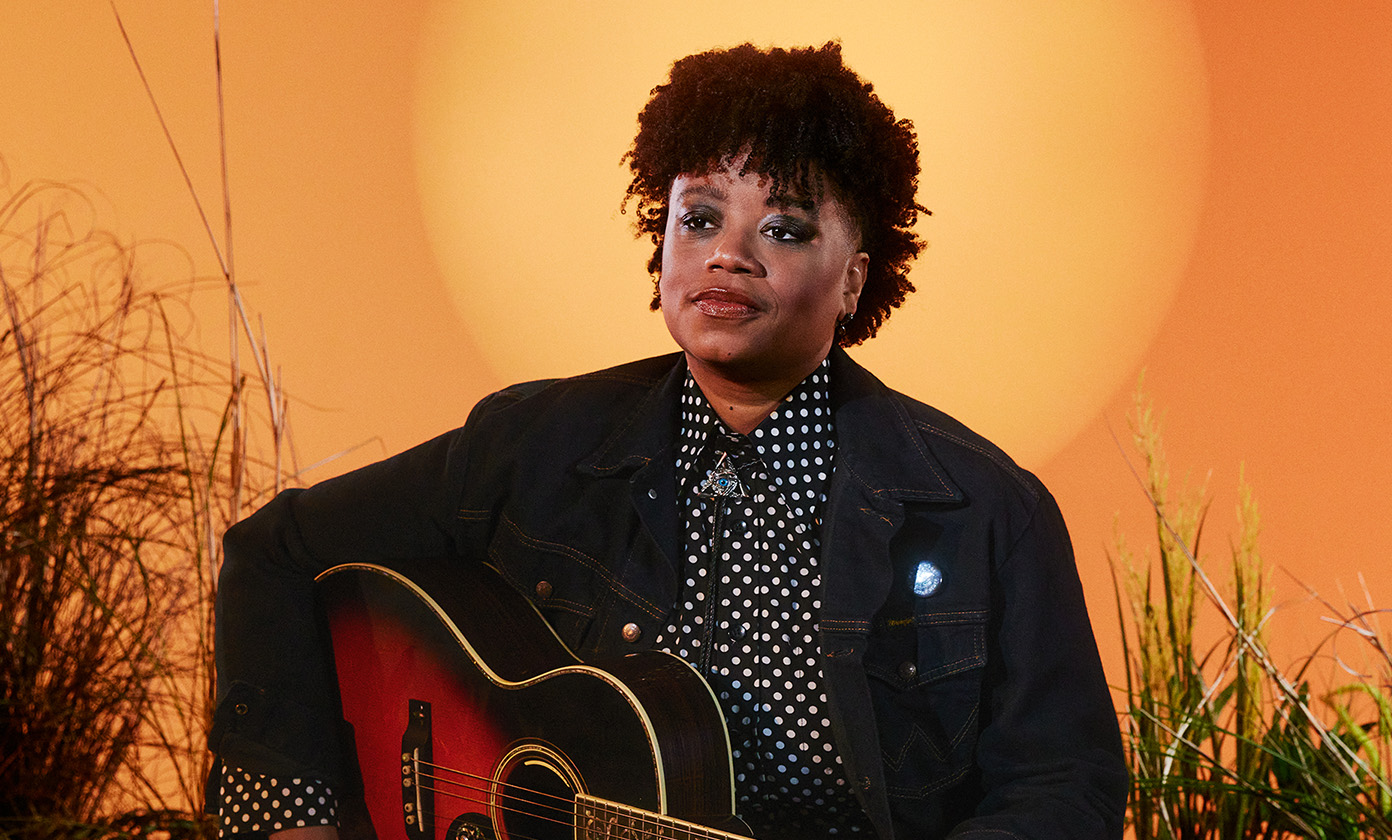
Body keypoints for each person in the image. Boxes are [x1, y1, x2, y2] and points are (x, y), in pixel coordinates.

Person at [209, 42, 1127, 840]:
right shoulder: (533, 446)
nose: (729, 254)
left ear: (854, 281)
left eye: (784, 228)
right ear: (661, 244)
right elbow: (276, 555)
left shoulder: (987, 512)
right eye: (700, 218)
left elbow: (1066, 787)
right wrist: (293, 816)